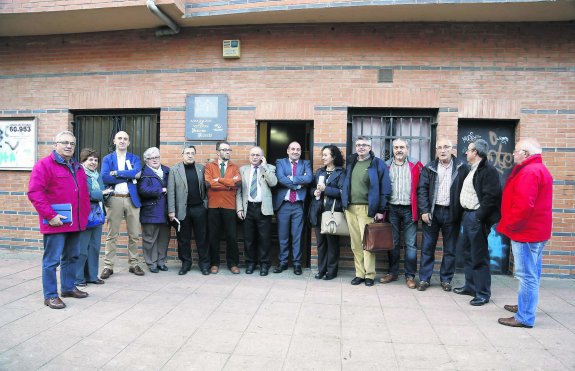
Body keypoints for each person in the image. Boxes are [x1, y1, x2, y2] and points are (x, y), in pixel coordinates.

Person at [28, 131, 90, 309]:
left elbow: (83, 195)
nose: (69, 146)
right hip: (55, 222)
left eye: (72, 143)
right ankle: (50, 295)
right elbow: (35, 193)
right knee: (52, 260)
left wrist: (83, 219)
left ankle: (68, 288)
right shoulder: (44, 165)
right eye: (64, 142)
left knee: (72, 257)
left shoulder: (77, 167)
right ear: (55, 145)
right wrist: (50, 215)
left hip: (75, 222)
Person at [497, 138, 553, 328]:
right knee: (533, 274)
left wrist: (510, 225)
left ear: (526, 154)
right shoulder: (539, 169)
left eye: (516, 151)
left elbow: (523, 206)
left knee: (527, 276)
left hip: (526, 234)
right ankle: (525, 306)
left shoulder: (529, 172)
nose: (513, 154)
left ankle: (525, 316)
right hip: (537, 232)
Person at [453, 139, 502, 306]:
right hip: (468, 216)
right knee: (467, 253)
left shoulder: (488, 170)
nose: (466, 153)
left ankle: (482, 293)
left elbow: (491, 197)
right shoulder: (471, 169)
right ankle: (471, 286)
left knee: (479, 257)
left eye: (469, 150)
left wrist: (479, 217)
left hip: (476, 218)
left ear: (476, 153)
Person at [417, 137, 469, 291]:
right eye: (439, 147)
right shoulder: (429, 168)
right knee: (427, 247)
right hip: (432, 212)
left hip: (452, 213)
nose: (442, 150)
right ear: (436, 150)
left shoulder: (462, 167)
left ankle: (446, 279)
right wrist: (424, 210)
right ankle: (425, 279)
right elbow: (422, 191)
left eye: (446, 147)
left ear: (452, 149)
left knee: (450, 249)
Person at [341, 136, 391, 287]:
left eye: (364, 145)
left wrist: (381, 209)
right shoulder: (351, 162)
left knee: (368, 244)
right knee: (355, 244)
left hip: (367, 209)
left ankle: (369, 275)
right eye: (358, 145)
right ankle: (359, 274)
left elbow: (385, 188)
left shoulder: (377, 164)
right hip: (350, 208)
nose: (361, 147)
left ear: (370, 147)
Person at [100, 131, 145, 278]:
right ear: (114, 141)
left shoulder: (134, 158)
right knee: (112, 234)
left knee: (134, 234)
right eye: (119, 138)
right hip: (115, 199)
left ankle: (134, 264)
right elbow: (105, 177)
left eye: (125, 139)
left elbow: (137, 173)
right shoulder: (107, 158)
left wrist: (116, 173)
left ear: (129, 142)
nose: (122, 141)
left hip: (131, 199)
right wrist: (127, 176)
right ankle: (108, 266)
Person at [381, 138, 423, 289]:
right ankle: (392, 273)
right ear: (393, 149)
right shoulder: (386, 165)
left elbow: (422, 188)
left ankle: (410, 276)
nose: (399, 150)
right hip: (392, 208)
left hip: (409, 209)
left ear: (407, 149)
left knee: (411, 244)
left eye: (402, 147)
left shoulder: (416, 165)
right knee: (393, 243)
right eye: (396, 147)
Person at [167, 145, 210, 275]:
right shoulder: (175, 170)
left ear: (195, 155)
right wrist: (171, 210)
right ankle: (186, 263)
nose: (190, 155)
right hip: (182, 210)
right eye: (187, 153)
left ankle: (204, 264)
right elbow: (171, 191)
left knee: (202, 238)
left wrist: (205, 205)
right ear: (182, 154)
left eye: (192, 153)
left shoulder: (201, 168)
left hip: (199, 209)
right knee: (183, 238)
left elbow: (207, 189)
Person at [272, 141, 313, 275]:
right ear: (288, 151)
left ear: (301, 152)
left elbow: (309, 179)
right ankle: (283, 262)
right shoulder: (280, 162)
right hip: (283, 204)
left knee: (297, 236)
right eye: (293, 149)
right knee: (283, 236)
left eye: (298, 149)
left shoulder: (305, 163)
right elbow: (280, 178)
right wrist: (298, 184)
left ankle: (296, 264)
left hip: (298, 206)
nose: (295, 151)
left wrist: (292, 178)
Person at [236, 146, 278, 276]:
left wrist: (264, 167)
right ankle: (250, 263)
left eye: (257, 155)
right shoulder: (243, 170)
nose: (255, 157)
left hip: (263, 208)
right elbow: (239, 191)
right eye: (252, 155)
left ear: (262, 156)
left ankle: (264, 265)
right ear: (249, 157)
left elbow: (273, 183)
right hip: (248, 208)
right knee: (249, 239)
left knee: (264, 239)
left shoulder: (270, 168)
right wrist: (239, 208)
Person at [75, 148, 113, 287]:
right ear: (83, 161)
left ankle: (92, 276)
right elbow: (84, 194)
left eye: (96, 160)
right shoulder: (80, 174)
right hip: (85, 215)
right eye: (90, 159)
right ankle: (78, 278)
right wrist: (102, 193)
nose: (93, 162)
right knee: (82, 249)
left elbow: (100, 194)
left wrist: (107, 194)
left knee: (95, 247)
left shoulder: (98, 176)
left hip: (97, 215)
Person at [205, 141, 242, 274]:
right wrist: (228, 183)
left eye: (229, 150)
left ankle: (232, 263)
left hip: (229, 206)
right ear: (217, 152)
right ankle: (214, 263)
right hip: (213, 206)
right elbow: (209, 184)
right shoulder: (210, 166)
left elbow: (237, 183)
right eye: (224, 149)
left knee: (231, 236)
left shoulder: (234, 167)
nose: (227, 152)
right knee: (213, 236)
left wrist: (219, 180)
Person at [310, 145, 345, 281]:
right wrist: (314, 192)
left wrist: (326, 189)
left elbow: (342, 192)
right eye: (322, 155)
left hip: (332, 213)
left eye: (326, 155)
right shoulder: (320, 172)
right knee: (321, 243)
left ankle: (331, 271)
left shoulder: (341, 173)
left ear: (334, 157)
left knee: (332, 243)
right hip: (319, 211)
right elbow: (311, 188)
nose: (323, 157)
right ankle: (321, 270)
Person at [137, 147, 170, 273]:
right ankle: (151, 263)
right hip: (150, 210)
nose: (155, 160)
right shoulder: (143, 173)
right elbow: (143, 190)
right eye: (151, 158)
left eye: (157, 157)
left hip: (166, 210)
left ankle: (161, 261)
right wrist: (161, 190)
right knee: (150, 239)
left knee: (163, 238)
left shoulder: (167, 170)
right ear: (146, 160)